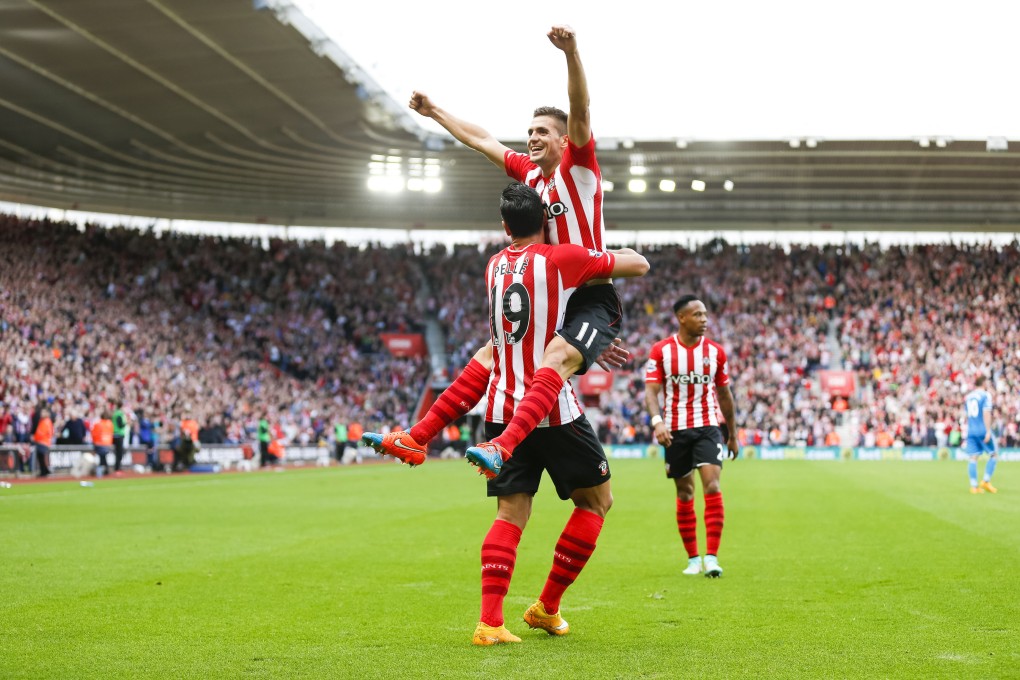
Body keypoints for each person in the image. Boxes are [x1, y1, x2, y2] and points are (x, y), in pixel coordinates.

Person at [364, 25, 629, 476]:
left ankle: (502, 446)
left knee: (555, 357)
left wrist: (572, 53)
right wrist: (434, 113)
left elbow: (580, 108)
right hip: (549, 289)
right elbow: (481, 139)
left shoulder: (579, 170)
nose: (532, 136)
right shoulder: (528, 175)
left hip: (587, 292)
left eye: (543, 130)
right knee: (492, 355)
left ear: (565, 141)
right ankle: (416, 438)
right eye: (529, 130)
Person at [463, 182, 648, 645]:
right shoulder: (559, 259)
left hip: (504, 409)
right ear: (546, 222)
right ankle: (546, 607)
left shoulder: (493, 267)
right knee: (596, 501)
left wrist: (589, 340)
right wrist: (592, 330)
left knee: (510, 513)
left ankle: (489, 623)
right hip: (553, 409)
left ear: (504, 226)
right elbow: (637, 265)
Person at [644, 295, 738, 578]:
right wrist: (657, 421)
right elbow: (651, 391)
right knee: (685, 492)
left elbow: (724, 395)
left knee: (712, 485)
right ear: (681, 318)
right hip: (674, 430)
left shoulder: (716, 352)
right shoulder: (661, 351)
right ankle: (693, 559)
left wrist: (732, 433)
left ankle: (712, 557)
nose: (704, 320)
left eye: (705, 314)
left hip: (708, 426)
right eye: (698, 314)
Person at [963, 375, 998, 494]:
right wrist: (988, 431)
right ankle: (986, 481)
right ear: (983, 383)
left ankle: (974, 486)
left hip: (971, 430)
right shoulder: (985, 395)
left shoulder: (969, 397)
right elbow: (986, 412)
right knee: (993, 455)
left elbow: (966, 414)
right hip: (982, 429)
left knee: (973, 458)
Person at [32, 407, 54, 477]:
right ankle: (43, 471)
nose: (41, 414)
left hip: (43, 442)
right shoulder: (42, 421)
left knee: (43, 458)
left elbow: (45, 433)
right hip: (40, 442)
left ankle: (45, 471)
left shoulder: (47, 421)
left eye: (43, 412)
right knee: (40, 458)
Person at [91, 411, 114, 476]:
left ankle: (101, 471)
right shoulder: (110, 424)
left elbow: (94, 434)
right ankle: (105, 470)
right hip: (107, 443)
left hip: (99, 443)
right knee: (103, 457)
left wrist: (94, 443)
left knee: (101, 458)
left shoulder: (97, 424)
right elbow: (111, 433)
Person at [112, 402, 128, 474]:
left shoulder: (115, 413)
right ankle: (117, 468)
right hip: (119, 434)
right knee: (119, 452)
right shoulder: (119, 414)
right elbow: (120, 424)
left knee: (118, 452)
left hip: (115, 434)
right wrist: (126, 423)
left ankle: (117, 468)